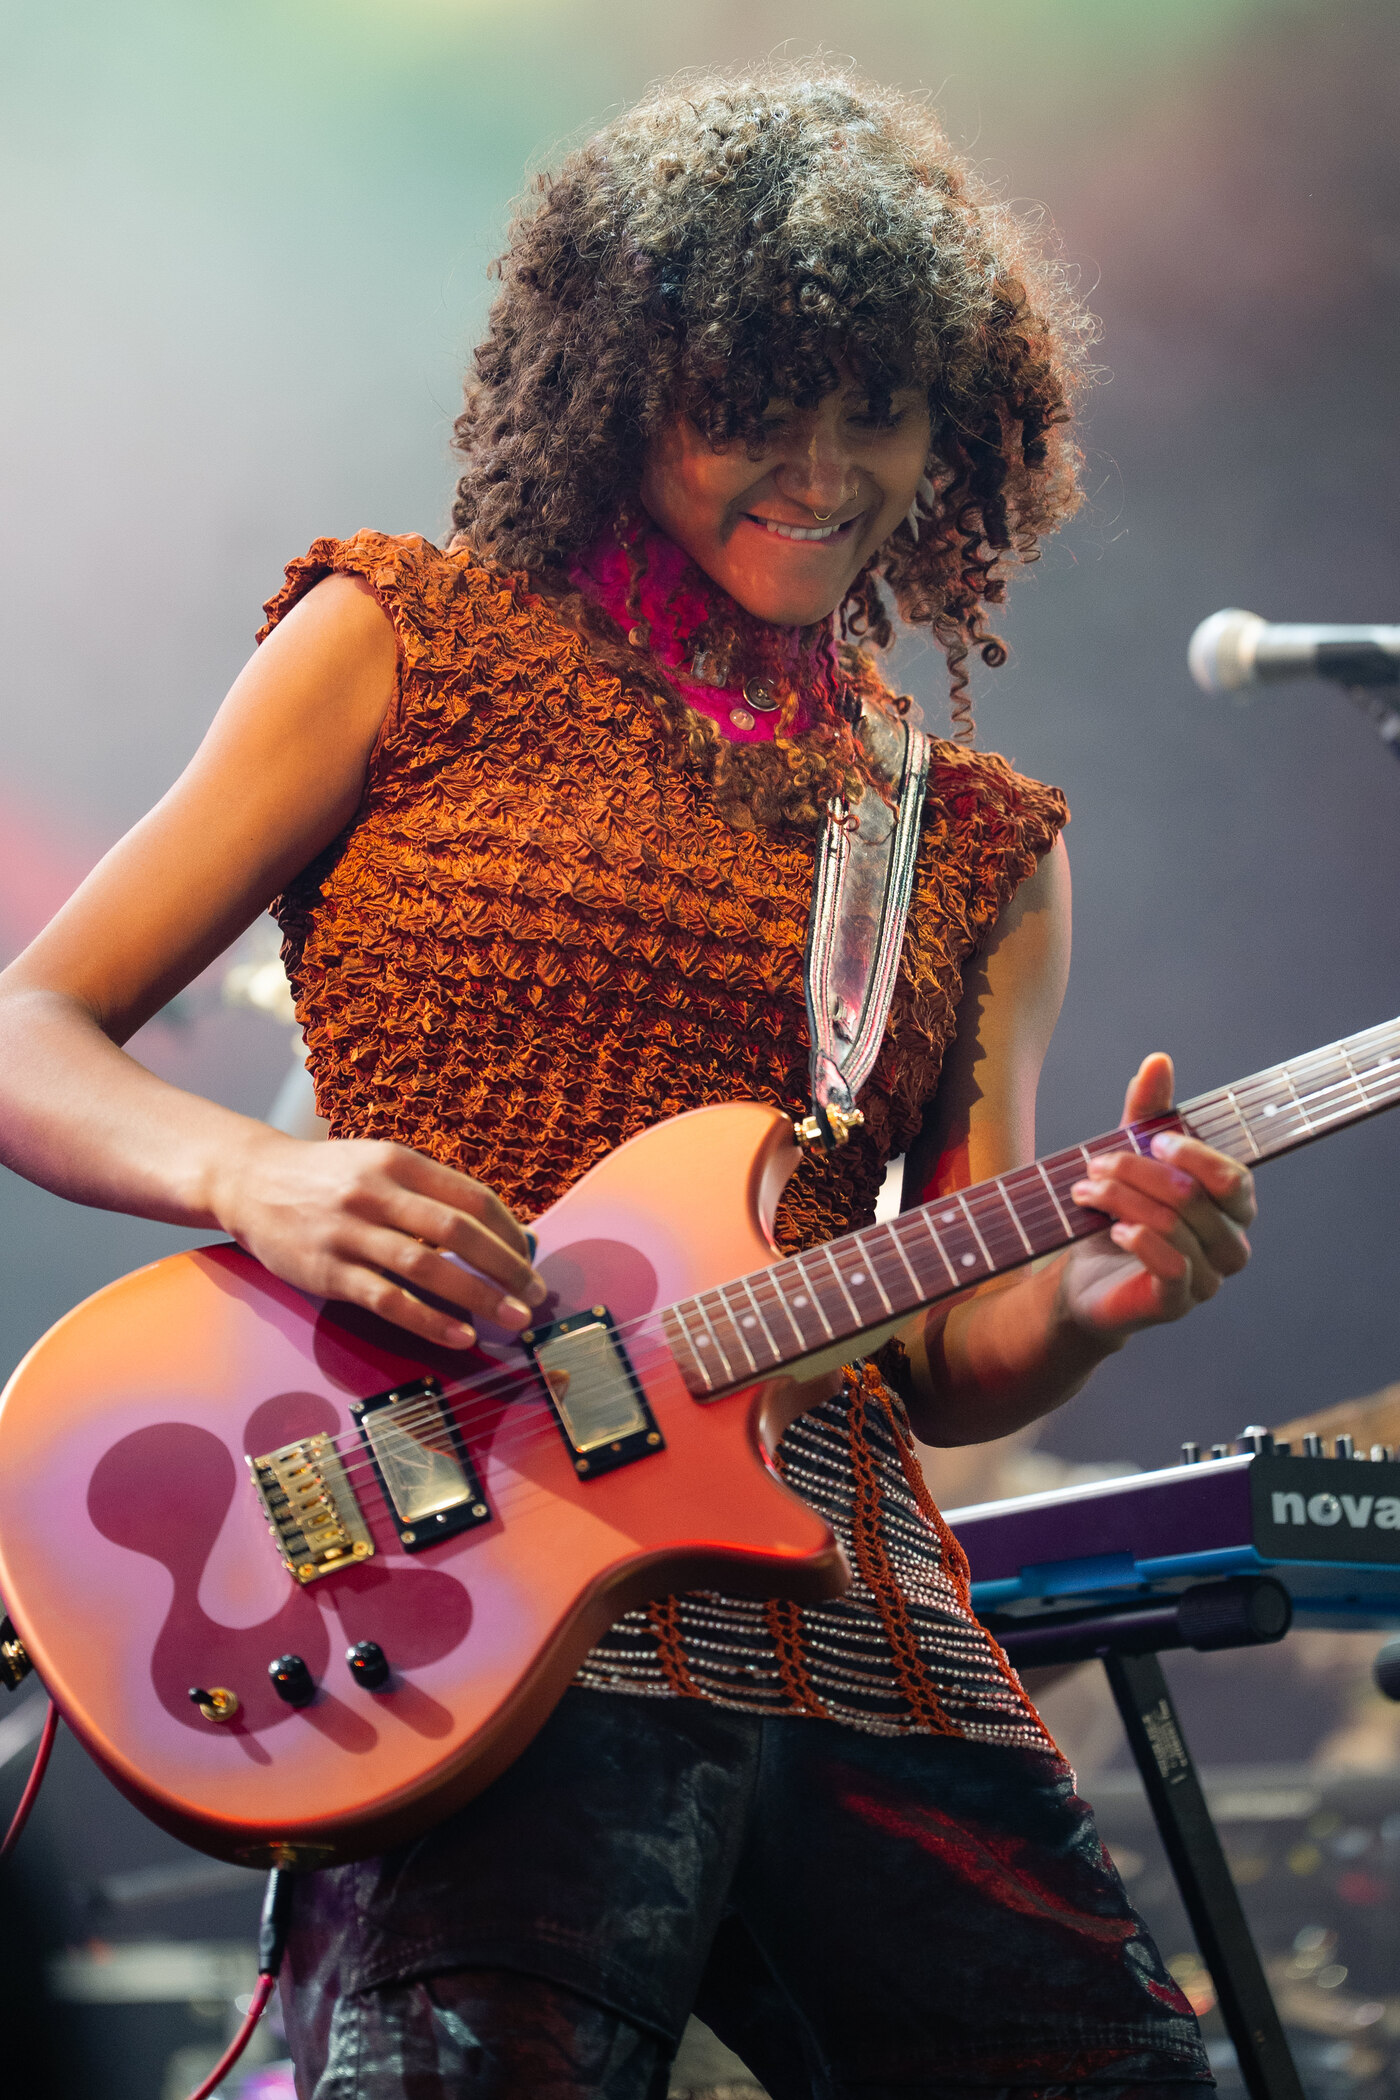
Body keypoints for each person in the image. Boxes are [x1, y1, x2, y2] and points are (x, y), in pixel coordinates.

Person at [0, 67, 1256, 2100]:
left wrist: (1097, 1301)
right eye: (752, 403)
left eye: (878, 410)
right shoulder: (407, 640)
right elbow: (28, 1031)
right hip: (464, 1568)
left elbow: (948, 1351)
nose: (820, 470)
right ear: (615, 388)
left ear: (954, 425)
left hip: (846, 1602)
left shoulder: (974, 840)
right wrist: (258, 1176)